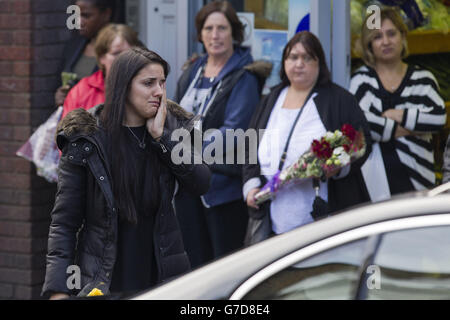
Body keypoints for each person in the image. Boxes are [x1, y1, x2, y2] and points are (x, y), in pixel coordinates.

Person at [41, 47, 211, 299]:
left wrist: (161, 139)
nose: (159, 91)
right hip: (103, 281)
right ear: (124, 86)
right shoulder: (86, 138)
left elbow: (201, 182)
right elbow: (65, 221)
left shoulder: (171, 129)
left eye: (162, 83)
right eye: (148, 83)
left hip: (162, 280)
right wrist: (58, 289)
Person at [243, 31, 372, 238]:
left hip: (325, 214)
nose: (299, 63)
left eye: (307, 58)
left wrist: (336, 168)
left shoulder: (340, 99)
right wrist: (252, 187)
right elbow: (249, 145)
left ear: (319, 63)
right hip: (274, 216)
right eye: (293, 57)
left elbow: (363, 142)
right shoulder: (271, 98)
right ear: (284, 62)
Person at [173, 0, 271, 268]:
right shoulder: (192, 70)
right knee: (193, 267)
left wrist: (184, 151)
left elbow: (235, 131)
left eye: (222, 28)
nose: (214, 35)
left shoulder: (244, 76)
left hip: (222, 188)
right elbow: (173, 116)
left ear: (234, 33)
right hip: (188, 186)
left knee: (222, 267)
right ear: (200, 33)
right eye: (208, 28)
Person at [349, 8, 447, 202]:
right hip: (372, 188)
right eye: (377, 36)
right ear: (369, 43)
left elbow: (438, 118)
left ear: (403, 36)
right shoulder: (361, 80)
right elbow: (360, 125)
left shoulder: (423, 79)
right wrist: (410, 127)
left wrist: (397, 115)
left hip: (419, 182)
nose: (385, 41)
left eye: (391, 33)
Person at [62, 23, 141, 118]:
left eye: (129, 53)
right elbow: (67, 130)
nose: (124, 59)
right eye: (116, 53)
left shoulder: (147, 87)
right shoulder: (80, 91)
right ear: (101, 58)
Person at [54, 0, 114, 107]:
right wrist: (60, 95)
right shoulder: (73, 46)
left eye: (86, 16)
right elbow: (58, 84)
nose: (78, 22)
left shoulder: (119, 49)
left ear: (106, 14)